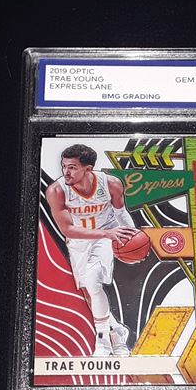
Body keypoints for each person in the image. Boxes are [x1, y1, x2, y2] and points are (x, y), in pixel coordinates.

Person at [45, 144, 137, 357]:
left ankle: (102, 340)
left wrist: (132, 237)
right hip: (79, 241)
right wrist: (106, 234)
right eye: (64, 166)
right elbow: (68, 230)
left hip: (106, 235)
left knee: (93, 280)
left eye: (72, 167)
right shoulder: (56, 191)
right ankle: (117, 331)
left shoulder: (111, 184)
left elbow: (120, 213)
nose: (66, 172)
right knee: (89, 292)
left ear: (88, 169)